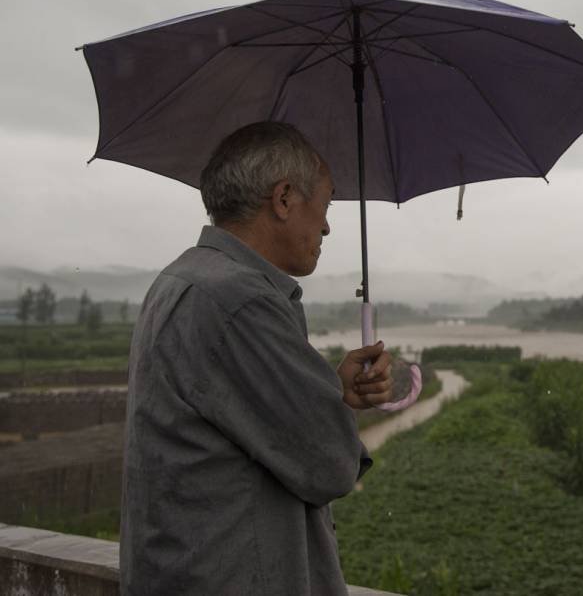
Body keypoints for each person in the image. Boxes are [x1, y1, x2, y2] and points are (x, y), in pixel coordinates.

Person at [120, 121, 393, 595]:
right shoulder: (239, 301)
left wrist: (332, 391)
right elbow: (329, 462)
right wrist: (331, 412)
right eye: (325, 203)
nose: (327, 224)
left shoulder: (181, 278)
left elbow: (241, 412)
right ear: (285, 198)